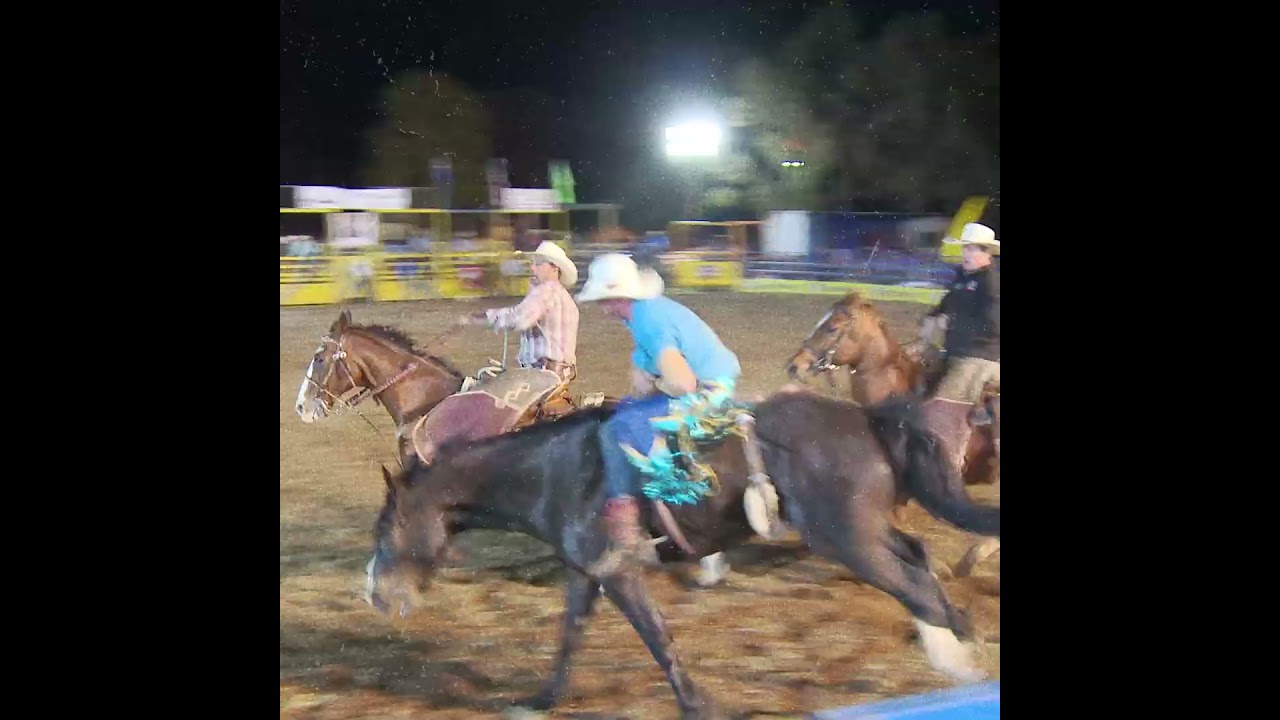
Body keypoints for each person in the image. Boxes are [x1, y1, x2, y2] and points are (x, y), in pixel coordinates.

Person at [574, 253, 742, 575]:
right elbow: (642, 378)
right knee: (622, 414)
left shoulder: (648, 321)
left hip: (708, 393)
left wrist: (652, 383)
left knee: (619, 428)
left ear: (615, 297)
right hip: (712, 383)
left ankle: (632, 526)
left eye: (602, 299)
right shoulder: (646, 314)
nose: (600, 307)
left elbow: (682, 383)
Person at [455, 240, 581, 414]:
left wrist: (481, 318)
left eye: (538, 264)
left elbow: (520, 318)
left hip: (541, 375)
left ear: (554, 267)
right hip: (558, 374)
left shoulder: (546, 291)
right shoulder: (565, 298)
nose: (533, 269)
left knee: (484, 394)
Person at [919, 222, 1000, 472]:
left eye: (972, 249)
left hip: (981, 356)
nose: (965, 253)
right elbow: (947, 304)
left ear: (987, 253)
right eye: (965, 248)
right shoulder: (962, 277)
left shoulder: (992, 283)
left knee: (942, 403)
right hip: (955, 352)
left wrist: (950, 322)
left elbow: (994, 325)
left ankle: (951, 462)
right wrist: (932, 316)